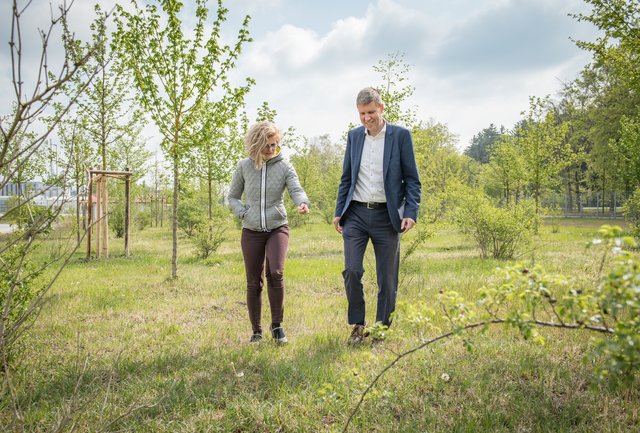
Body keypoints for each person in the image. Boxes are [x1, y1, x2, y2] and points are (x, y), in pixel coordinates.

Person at [333, 87, 421, 344]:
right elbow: (346, 178)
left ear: (381, 109)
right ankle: (358, 325)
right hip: (356, 214)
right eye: (361, 113)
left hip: (387, 217)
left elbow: (413, 181)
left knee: (387, 278)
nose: (366, 118)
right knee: (351, 270)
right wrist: (339, 212)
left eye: (371, 112)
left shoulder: (401, 136)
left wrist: (411, 212)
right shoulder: (354, 137)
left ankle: (381, 330)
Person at [228, 121, 310, 344]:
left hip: (277, 227)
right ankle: (256, 331)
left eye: (274, 144)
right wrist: (244, 213)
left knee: (275, 272)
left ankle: (277, 326)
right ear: (256, 144)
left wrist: (302, 202)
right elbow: (232, 197)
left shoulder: (285, 166)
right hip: (251, 230)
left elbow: (295, 188)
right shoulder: (244, 166)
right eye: (267, 145)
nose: (272, 149)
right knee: (253, 281)